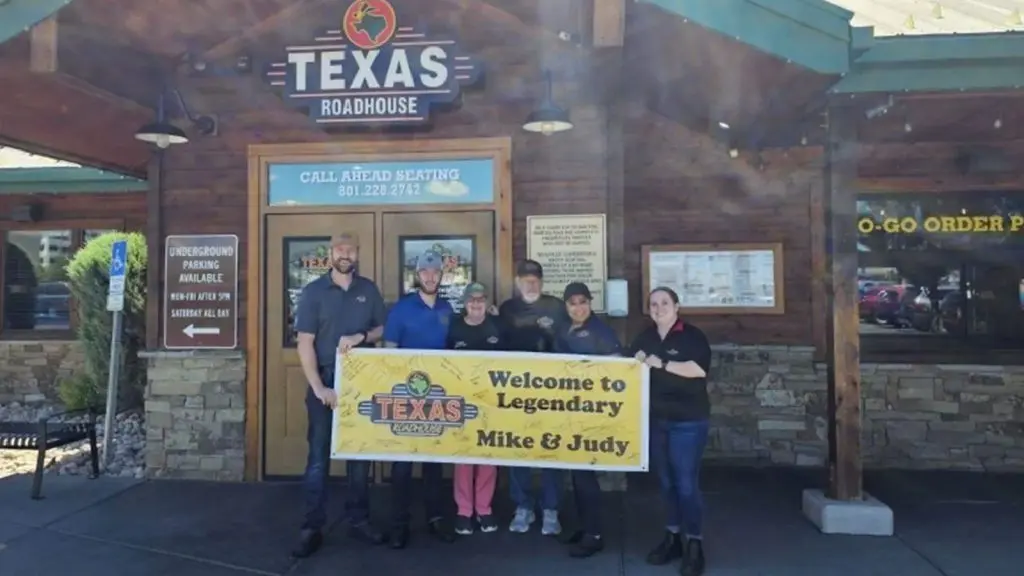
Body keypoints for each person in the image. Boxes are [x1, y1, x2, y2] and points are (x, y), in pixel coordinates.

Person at [292, 233, 387, 559]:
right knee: (318, 458)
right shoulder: (314, 292)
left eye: (351, 249)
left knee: (359, 457)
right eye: (340, 249)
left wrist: (362, 335)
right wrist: (319, 388)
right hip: (326, 383)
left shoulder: (368, 289)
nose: (345, 254)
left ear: (357, 253)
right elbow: (305, 341)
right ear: (331, 254)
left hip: (361, 384)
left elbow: (383, 329)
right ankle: (311, 527)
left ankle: (359, 520)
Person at [631, 287, 712, 576]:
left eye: (664, 302)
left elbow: (698, 369)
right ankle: (673, 536)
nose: (659, 307)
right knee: (666, 484)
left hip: (688, 422)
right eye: (653, 303)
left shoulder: (692, 336)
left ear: (676, 306)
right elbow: (628, 368)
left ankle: (695, 543)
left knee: (686, 484)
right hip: (657, 421)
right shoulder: (645, 338)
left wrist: (661, 363)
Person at [382, 250, 457, 549]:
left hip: (437, 397)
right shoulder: (401, 309)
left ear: (441, 275)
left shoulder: (448, 309)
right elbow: (388, 351)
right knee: (402, 465)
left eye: (434, 272)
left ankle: (435, 519)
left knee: (433, 464)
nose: (429, 276)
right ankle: (400, 523)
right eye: (424, 272)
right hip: (406, 396)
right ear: (417, 275)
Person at [498, 259, 568, 535]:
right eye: (525, 278)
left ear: (541, 281)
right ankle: (523, 506)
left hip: (551, 392)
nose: (530, 283)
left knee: (552, 450)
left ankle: (551, 509)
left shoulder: (557, 307)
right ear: (517, 281)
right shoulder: (507, 309)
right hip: (516, 391)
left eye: (535, 279)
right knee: (518, 449)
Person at [553, 282, 622, 558]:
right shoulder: (562, 328)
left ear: (590, 303)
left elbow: (618, 369)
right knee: (577, 475)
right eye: (573, 303)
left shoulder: (600, 332)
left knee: (585, 477)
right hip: (570, 410)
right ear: (566, 306)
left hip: (592, 412)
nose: (578, 307)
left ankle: (594, 534)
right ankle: (585, 527)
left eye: (583, 302)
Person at [445, 282, 502, 536]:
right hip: (462, 399)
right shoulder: (454, 327)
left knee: (488, 454)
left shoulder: (497, 326)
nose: (476, 304)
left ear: (487, 302)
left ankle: (484, 508)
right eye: (471, 300)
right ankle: (464, 510)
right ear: (465, 303)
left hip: (491, 399)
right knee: (464, 455)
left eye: (481, 299)